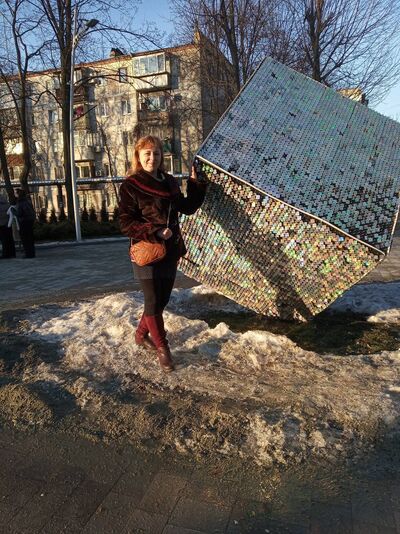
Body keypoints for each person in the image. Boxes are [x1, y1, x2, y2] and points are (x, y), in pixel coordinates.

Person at [119, 135, 207, 372]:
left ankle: (140, 335)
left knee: (162, 300)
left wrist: (195, 183)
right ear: (138, 156)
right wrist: (155, 231)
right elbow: (125, 223)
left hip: (170, 250)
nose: (152, 158)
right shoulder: (130, 185)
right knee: (152, 300)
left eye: (156, 153)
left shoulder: (169, 181)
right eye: (147, 153)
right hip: (146, 250)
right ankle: (163, 348)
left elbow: (187, 208)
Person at [16, 188, 36, 258]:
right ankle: (32, 253)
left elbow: (20, 213)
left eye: (17, 193)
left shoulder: (20, 203)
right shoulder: (28, 201)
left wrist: (15, 213)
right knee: (30, 237)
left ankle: (28, 253)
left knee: (25, 238)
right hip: (30, 221)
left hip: (24, 221)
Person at [0, 194, 16, 259]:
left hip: (1, 224)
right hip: (8, 223)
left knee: (4, 240)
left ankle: (5, 254)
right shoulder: (7, 203)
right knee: (10, 239)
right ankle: (12, 253)